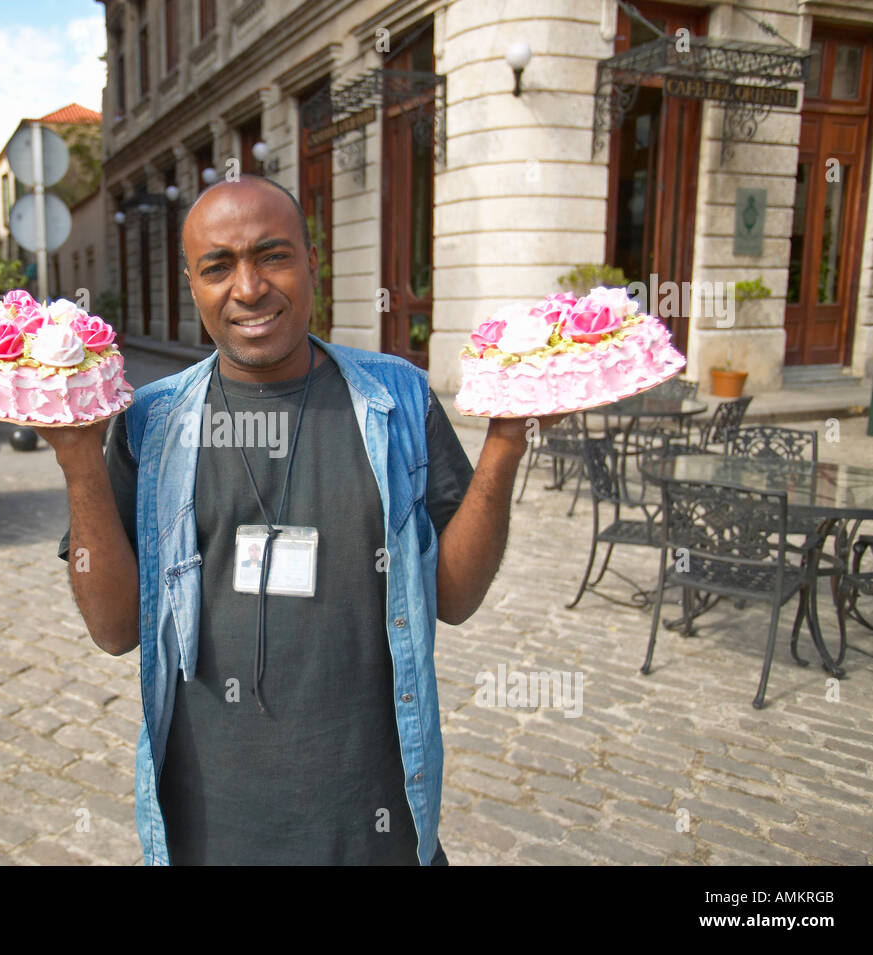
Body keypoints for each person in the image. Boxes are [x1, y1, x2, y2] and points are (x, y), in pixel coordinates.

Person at [42, 174, 563, 865]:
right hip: (210, 830)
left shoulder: (397, 398)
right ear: (193, 286)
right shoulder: (151, 423)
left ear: (313, 262)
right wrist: (79, 455)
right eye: (218, 267)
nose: (249, 287)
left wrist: (506, 439)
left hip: (375, 824)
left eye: (273, 255)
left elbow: (456, 599)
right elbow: (112, 630)